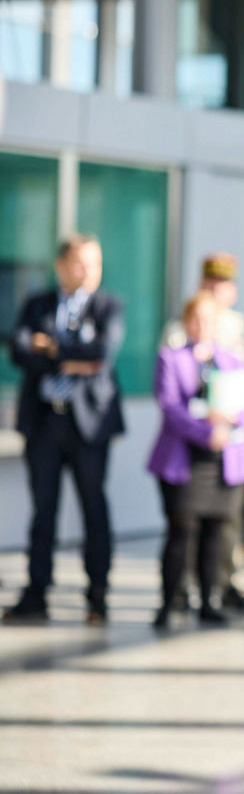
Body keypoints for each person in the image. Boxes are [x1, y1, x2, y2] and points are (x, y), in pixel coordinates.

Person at [4, 235, 125, 625]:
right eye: (81, 263)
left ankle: (98, 595)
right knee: (43, 510)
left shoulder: (108, 305)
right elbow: (19, 350)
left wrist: (50, 349)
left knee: (94, 508)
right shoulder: (38, 303)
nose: (90, 271)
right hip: (44, 422)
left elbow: (101, 356)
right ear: (61, 265)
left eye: (96, 263)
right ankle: (36, 592)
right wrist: (71, 358)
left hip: (88, 424)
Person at [147, 292, 244, 629]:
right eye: (196, 319)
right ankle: (170, 599)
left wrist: (231, 423)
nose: (202, 326)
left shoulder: (234, 360)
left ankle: (210, 600)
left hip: (225, 458)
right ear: (186, 322)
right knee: (182, 529)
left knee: (217, 530)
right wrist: (205, 432)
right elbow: (170, 406)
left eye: (209, 320)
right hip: (185, 458)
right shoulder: (172, 358)